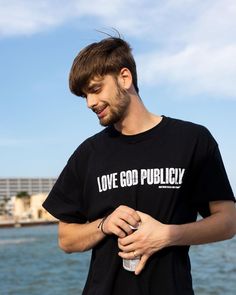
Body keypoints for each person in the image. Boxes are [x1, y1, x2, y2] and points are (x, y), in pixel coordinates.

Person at [42, 35, 236, 295]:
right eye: (84, 96)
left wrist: (167, 235)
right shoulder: (88, 154)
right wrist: (104, 224)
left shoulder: (192, 140)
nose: (90, 103)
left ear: (125, 77)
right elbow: (66, 239)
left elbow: (228, 221)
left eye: (96, 89)